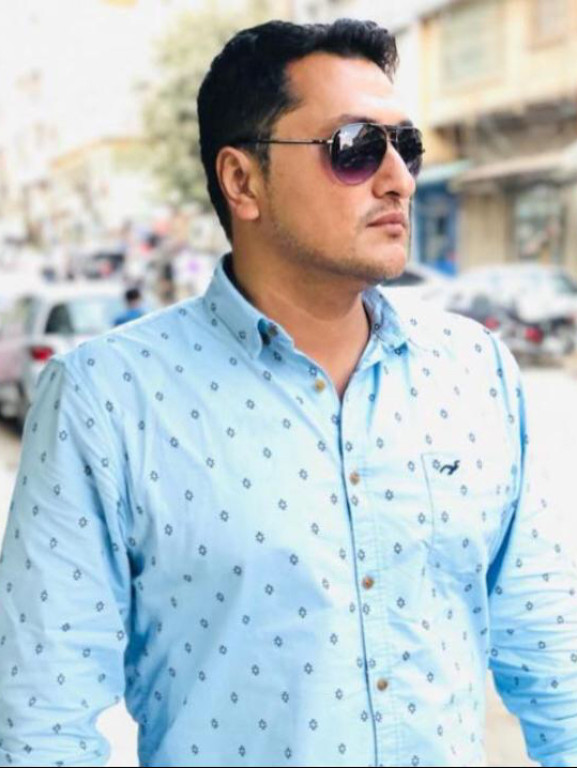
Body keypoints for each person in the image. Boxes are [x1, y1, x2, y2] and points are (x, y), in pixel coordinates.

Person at [0, 19, 575, 768]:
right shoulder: (106, 399)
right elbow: (43, 722)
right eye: (355, 147)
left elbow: (552, 655)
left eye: (406, 146)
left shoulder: (474, 371)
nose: (398, 178)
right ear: (242, 180)